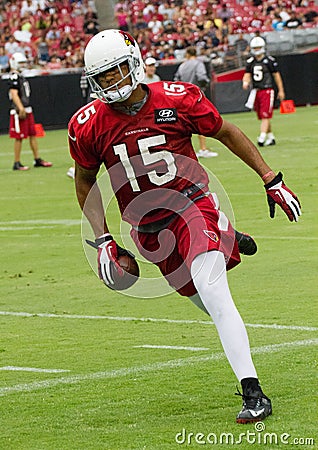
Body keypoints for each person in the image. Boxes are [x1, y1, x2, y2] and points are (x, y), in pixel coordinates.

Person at [68, 30, 301, 423]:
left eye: (117, 72)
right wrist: (103, 238)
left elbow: (225, 131)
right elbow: (85, 180)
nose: (112, 83)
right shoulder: (88, 125)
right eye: (103, 77)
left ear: (135, 63)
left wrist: (270, 177)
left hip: (191, 206)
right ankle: (228, 232)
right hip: (148, 228)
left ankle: (253, 392)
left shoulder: (177, 98)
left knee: (215, 294)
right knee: (199, 299)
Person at [8, 52, 52, 171]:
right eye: (20, 63)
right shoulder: (14, 76)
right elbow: (13, 93)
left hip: (27, 108)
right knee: (19, 137)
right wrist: (20, 107)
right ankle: (16, 162)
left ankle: (37, 159)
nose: (22, 65)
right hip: (19, 110)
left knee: (32, 134)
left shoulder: (20, 76)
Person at [174, 46, 218, 158]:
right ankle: (203, 149)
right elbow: (202, 77)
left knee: (183, 125)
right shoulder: (198, 64)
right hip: (194, 96)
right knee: (200, 122)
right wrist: (204, 85)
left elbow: (176, 80)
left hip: (181, 97)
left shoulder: (182, 65)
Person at [242, 36, 285, 147]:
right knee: (262, 116)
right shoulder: (251, 62)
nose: (256, 50)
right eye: (255, 48)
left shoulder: (269, 61)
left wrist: (280, 90)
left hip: (267, 90)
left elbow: (277, 76)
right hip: (256, 91)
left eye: (258, 47)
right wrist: (245, 82)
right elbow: (246, 75)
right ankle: (271, 137)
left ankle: (261, 138)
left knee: (265, 116)